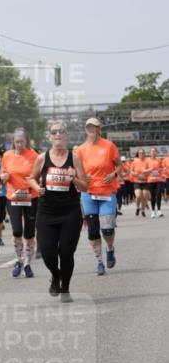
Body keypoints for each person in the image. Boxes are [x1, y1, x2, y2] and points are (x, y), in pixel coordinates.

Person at [30, 121, 89, 301]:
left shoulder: (75, 157)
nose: (57, 135)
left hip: (70, 212)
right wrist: (36, 188)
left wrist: (74, 179)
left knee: (66, 252)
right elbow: (31, 178)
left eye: (61, 132)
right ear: (49, 137)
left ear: (66, 136)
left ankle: (65, 288)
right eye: (54, 132)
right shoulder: (41, 158)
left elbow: (85, 186)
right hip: (47, 212)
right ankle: (55, 276)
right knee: (48, 253)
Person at [75, 118, 121, 275]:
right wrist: (81, 178)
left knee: (107, 229)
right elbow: (76, 170)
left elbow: (120, 165)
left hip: (107, 191)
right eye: (88, 126)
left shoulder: (109, 146)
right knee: (93, 230)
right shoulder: (80, 150)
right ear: (85, 129)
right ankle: (99, 262)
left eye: (93, 126)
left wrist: (113, 173)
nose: (91, 129)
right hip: (88, 192)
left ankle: (110, 248)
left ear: (98, 128)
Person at [1, 128, 39, 278]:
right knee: (17, 230)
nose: (19, 145)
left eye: (21, 142)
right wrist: (3, 176)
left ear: (26, 141)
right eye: (16, 142)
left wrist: (36, 181)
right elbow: (3, 173)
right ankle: (19, 260)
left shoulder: (34, 155)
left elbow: (38, 175)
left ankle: (28, 264)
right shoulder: (7, 155)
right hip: (13, 196)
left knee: (29, 232)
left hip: (31, 196)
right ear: (13, 142)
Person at [130, 149, 151, 216]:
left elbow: (151, 169)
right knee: (138, 196)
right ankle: (137, 207)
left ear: (144, 154)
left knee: (144, 196)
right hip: (137, 181)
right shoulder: (134, 162)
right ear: (138, 154)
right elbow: (131, 171)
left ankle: (143, 210)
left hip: (145, 181)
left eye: (142, 153)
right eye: (140, 153)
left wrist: (146, 171)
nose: (141, 154)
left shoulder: (147, 161)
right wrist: (136, 174)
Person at [147, 148, 165, 218]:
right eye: (152, 151)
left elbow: (162, 168)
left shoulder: (159, 160)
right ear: (150, 153)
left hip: (158, 180)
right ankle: (152, 211)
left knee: (159, 193)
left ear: (156, 153)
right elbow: (143, 170)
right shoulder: (147, 160)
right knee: (153, 196)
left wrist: (159, 170)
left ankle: (159, 210)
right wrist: (149, 170)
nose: (153, 153)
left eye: (154, 151)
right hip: (150, 180)